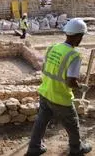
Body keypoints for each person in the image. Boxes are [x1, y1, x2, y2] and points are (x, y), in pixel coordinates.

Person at [25, 18, 92, 156]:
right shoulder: (74, 55)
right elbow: (70, 82)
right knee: (72, 124)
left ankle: (34, 147)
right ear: (79, 36)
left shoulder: (53, 47)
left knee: (41, 122)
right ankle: (76, 148)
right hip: (61, 97)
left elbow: (45, 69)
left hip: (45, 92)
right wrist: (80, 87)